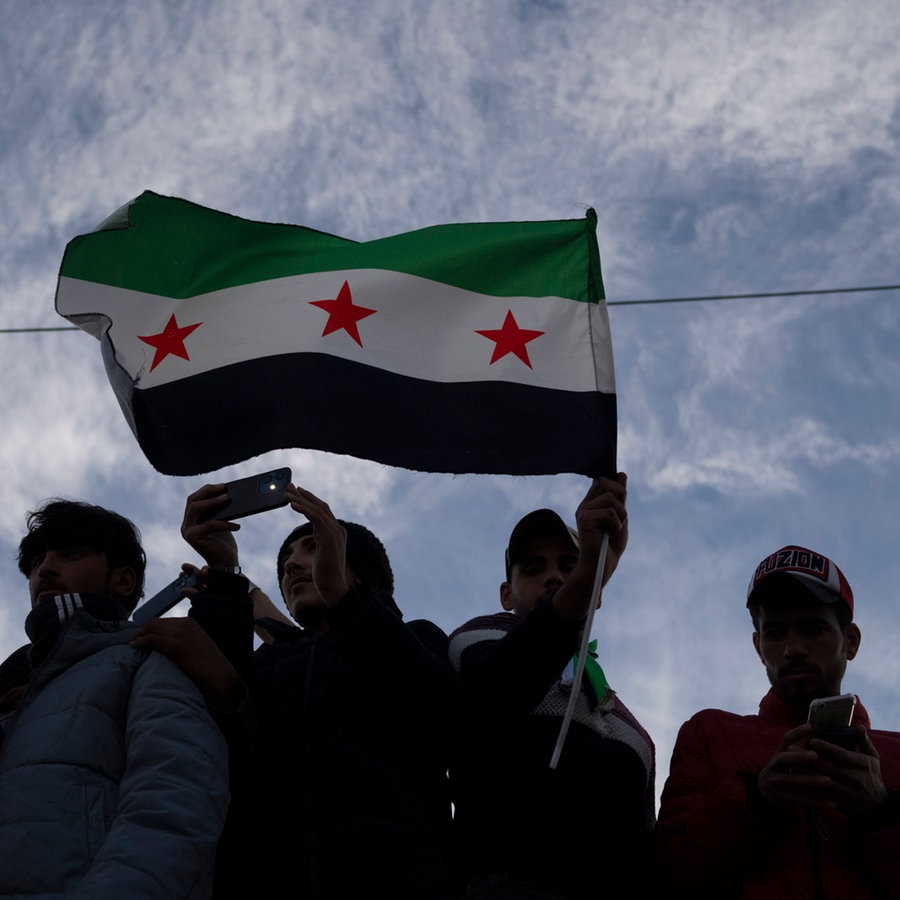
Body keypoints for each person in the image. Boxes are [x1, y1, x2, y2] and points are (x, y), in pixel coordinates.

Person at [148, 480, 459, 899]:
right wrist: (223, 576)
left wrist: (345, 602)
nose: (293, 564)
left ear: (357, 571)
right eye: (286, 561)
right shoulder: (265, 667)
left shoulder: (415, 638)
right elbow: (219, 737)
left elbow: (445, 719)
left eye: (312, 547)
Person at [0, 499, 229, 899]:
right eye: (37, 561)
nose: (45, 570)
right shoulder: (14, 692)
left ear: (123, 581)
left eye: (70, 554)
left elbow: (173, 804)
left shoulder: (145, 658)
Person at [448, 475, 657, 899]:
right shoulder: (474, 642)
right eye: (534, 567)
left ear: (596, 595)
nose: (555, 577)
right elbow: (505, 679)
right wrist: (587, 577)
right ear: (506, 594)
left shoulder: (635, 734)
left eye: (569, 564)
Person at [655, 544, 900, 898]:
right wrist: (756, 799)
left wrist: (880, 812)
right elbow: (669, 880)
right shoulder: (709, 733)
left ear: (851, 641)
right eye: (775, 633)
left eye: (812, 627)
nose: (792, 648)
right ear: (758, 648)